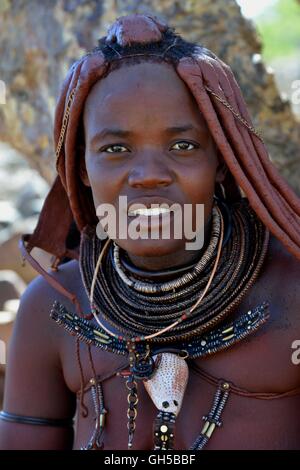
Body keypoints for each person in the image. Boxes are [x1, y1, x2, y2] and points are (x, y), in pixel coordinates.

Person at [0, 13, 299, 451]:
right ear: (82, 167)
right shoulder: (53, 308)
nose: (148, 176)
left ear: (221, 159)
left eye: (183, 146)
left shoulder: (290, 291)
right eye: (115, 149)